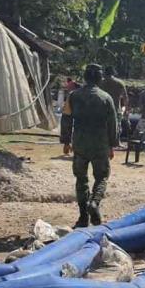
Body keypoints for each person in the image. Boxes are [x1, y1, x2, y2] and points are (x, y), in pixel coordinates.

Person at [60, 64, 118, 228]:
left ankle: (83, 217)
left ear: (85, 78)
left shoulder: (73, 96)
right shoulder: (106, 98)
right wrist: (112, 145)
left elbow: (66, 118)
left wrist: (66, 141)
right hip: (100, 144)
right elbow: (113, 123)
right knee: (101, 177)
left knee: (81, 180)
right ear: (100, 79)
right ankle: (94, 203)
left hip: (80, 144)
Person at [99, 66, 128, 144]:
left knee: (103, 125)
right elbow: (125, 98)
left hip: (102, 108)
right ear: (113, 73)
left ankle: (102, 141)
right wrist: (126, 110)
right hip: (115, 108)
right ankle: (117, 141)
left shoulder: (100, 83)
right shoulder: (119, 83)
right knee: (117, 125)